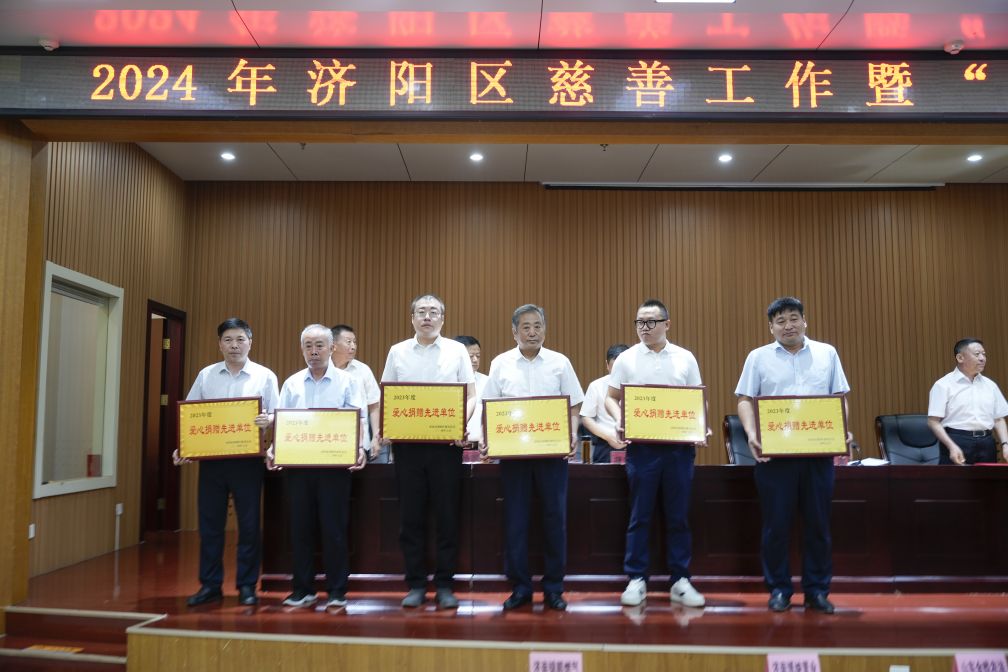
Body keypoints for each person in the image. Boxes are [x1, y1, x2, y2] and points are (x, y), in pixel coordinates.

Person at [735, 296, 851, 615]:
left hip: (817, 454)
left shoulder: (827, 353)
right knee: (776, 526)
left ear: (804, 321)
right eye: (780, 321)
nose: (788, 325)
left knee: (818, 525)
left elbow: (839, 397)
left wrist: (840, 429)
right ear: (771, 327)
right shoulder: (758, 357)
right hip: (775, 457)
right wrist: (752, 435)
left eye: (793, 318)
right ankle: (779, 589)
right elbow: (744, 399)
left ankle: (817, 591)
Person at [479, 305, 584, 611]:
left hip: (552, 455)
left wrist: (572, 434)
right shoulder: (501, 363)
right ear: (514, 332)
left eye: (537, 326)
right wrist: (487, 439)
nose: (532, 332)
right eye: (526, 327)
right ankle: (520, 587)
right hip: (513, 456)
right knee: (516, 521)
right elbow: (489, 406)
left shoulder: (560, 362)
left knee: (554, 519)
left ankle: (554, 588)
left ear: (545, 329)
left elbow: (574, 405)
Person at [605, 299, 707, 610]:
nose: (645, 328)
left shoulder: (685, 358)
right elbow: (611, 398)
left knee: (678, 515)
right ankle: (636, 578)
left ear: (667, 324)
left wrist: (701, 425)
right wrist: (619, 419)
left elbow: (697, 398)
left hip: (678, 449)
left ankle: (680, 579)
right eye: (640, 322)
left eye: (651, 322)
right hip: (642, 449)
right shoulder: (626, 359)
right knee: (640, 514)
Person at [376, 294, 476, 609]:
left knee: (447, 516)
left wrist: (460, 423)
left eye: (434, 312)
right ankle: (416, 584)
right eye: (421, 312)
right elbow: (388, 395)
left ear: (442, 319)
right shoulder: (397, 351)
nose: (427, 317)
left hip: (446, 447)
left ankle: (445, 585)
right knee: (411, 518)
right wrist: (386, 427)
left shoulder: (456, 351)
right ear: (412, 318)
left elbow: (471, 395)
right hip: (408, 448)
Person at [175, 318, 278, 607]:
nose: (234, 345)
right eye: (228, 340)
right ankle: (210, 585)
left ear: (250, 342)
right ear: (220, 344)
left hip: (248, 461)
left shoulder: (264, 376)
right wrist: (183, 447)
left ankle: (247, 585)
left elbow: (278, 413)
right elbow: (191, 415)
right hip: (213, 461)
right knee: (210, 525)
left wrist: (268, 420)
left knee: (249, 526)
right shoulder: (206, 375)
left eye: (240, 339)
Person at [269, 324, 367, 610]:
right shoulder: (292, 383)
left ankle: (337, 590)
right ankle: (303, 589)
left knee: (334, 529)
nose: (314, 351)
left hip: (335, 467)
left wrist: (359, 449)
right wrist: (274, 448)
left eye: (319, 345)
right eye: (308, 346)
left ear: (331, 348)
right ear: (302, 349)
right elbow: (282, 421)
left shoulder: (348, 381)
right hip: (298, 466)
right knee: (300, 528)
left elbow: (359, 418)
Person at [927, 338, 1008, 465]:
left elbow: (998, 419)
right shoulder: (943, 385)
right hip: (957, 440)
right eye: (977, 354)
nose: (982, 358)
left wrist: (1005, 444)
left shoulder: (990, 385)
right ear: (960, 358)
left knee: (988, 478)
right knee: (954, 479)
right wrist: (951, 446)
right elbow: (933, 421)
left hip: (987, 443)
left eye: (984, 354)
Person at [330, 324, 385, 463]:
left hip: (360, 443)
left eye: (355, 342)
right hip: (329, 441)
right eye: (348, 342)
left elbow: (374, 405)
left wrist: (375, 437)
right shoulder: (322, 370)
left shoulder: (363, 370)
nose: (353, 346)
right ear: (333, 345)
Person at [580, 343, 630, 464]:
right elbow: (586, 417)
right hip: (605, 442)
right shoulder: (596, 385)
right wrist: (608, 436)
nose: (618, 374)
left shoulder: (639, 385)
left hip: (634, 443)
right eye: (614, 369)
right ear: (607, 365)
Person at [454, 335, 489, 443]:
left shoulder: (487, 381)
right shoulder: (448, 383)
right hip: (451, 444)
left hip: (479, 445)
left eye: (478, 356)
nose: (475, 360)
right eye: (470, 356)